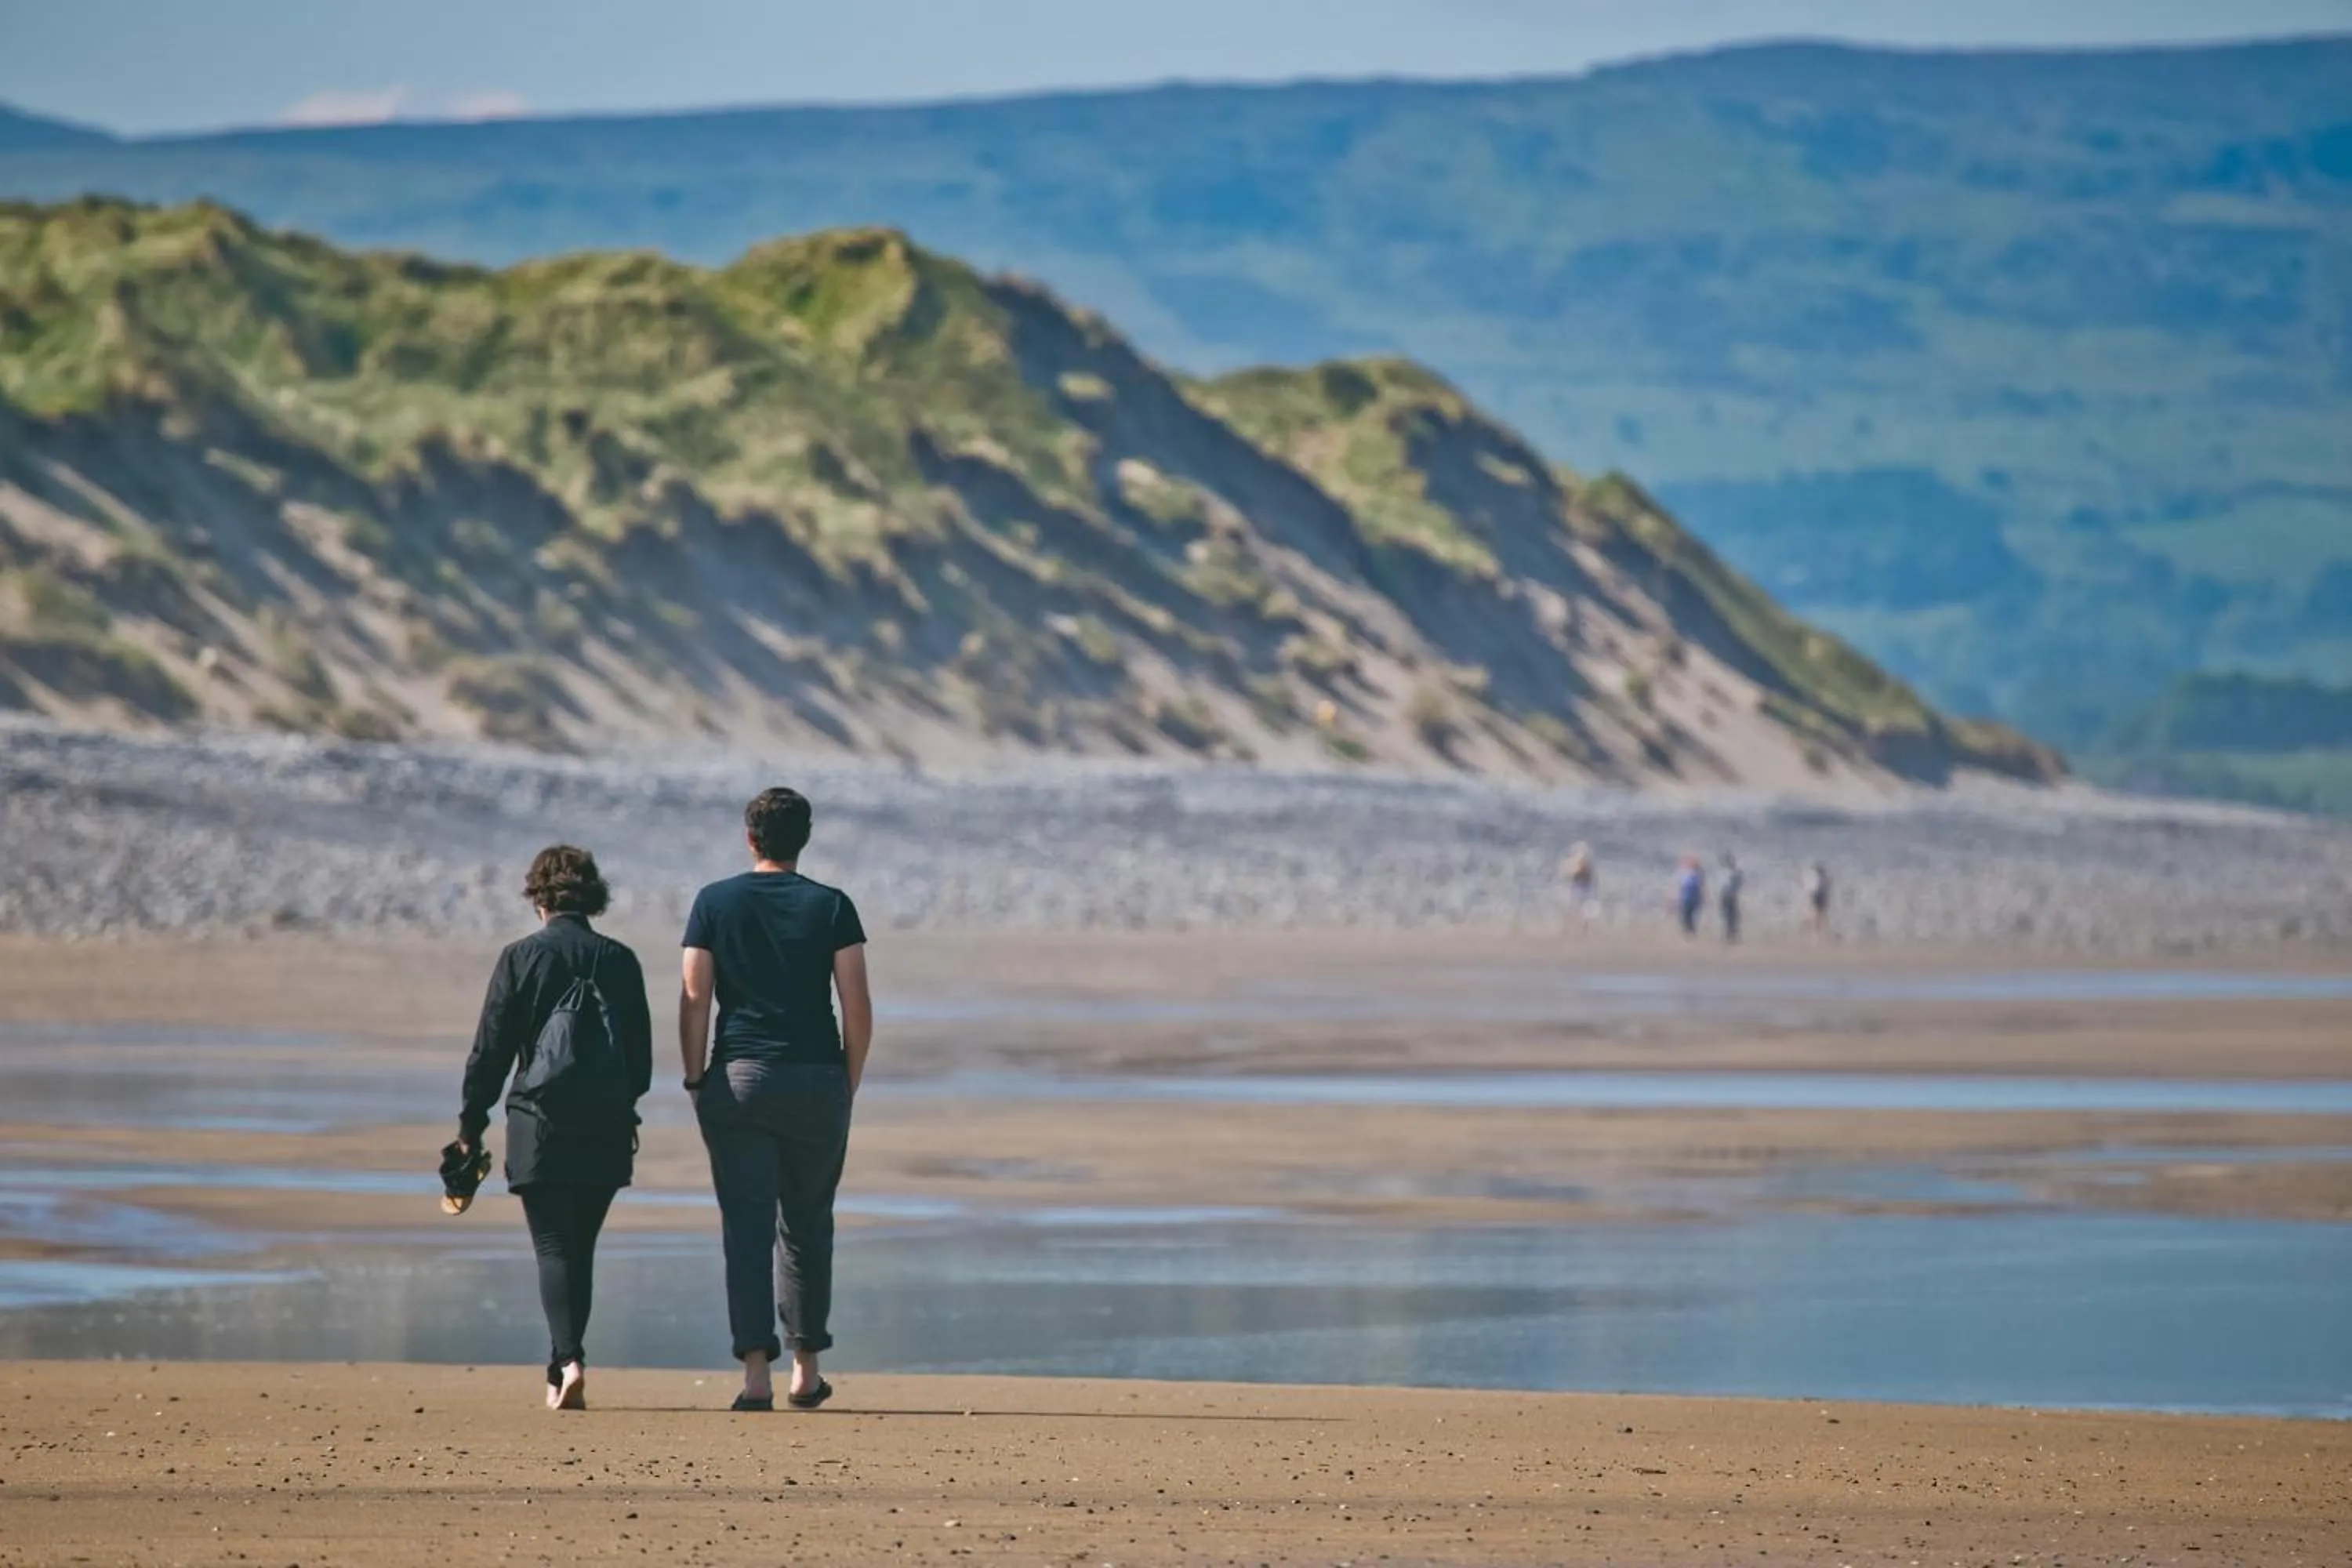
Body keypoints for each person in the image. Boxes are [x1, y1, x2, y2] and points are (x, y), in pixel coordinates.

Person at [681, 787, 874, 1413]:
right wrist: (849, 1079)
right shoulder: (832, 906)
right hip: (818, 1078)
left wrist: (694, 1076)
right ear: (805, 838)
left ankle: (756, 1375)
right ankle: (806, 1368)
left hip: (740, 1077)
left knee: (747, 1224)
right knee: (808, 1222)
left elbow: (694, 998)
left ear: (749, 837)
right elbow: (857, 1004)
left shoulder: (714, 903)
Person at [455, 845, 652, 1411]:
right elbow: (639, 1063)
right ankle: (559, 1366)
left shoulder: (520, 957)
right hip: (607, 1126)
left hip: (537, 1122)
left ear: (538, 897)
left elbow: (489, 1053)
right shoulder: (621, 960)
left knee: (552, 1245)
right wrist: (614, 1102)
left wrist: (471, 1125)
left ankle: (569, 1360)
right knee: (577, 1249)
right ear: (592, 896)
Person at [1562, 841, 1597, 929]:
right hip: (1577, 889)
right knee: (1573, 908)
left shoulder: (1588, 868)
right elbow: (1569, 877)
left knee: (1585, 910)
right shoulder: (1574, 866)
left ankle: (1583, 927)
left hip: (1584, 889)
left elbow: (1592, 881)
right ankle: (1570, 926)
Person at [1675, 854, 1706, 938]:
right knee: (1685, 914)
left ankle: (1691, 931)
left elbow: (1700, 886)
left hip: (1693, 897)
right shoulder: (1686, 873)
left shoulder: (1698, 874)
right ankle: (1687, 930)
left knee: (1691, 915)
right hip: (1687, 897)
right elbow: (1682, 886)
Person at [1719, 853, 1744, 944]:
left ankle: (1732, 935)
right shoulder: (1729, 873)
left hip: (1730, 897)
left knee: (1732, 917)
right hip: (1726, 897)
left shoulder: (1734, 873)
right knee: (1728, 917)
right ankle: (1729, 935)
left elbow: (1738, 885)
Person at [1805, 860, 1833, 937]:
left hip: (1819, 896)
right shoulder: (1825, 879)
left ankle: (1817, 929)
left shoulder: (1818, 879)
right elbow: (1826, 889)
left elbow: (1815, 890)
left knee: (1817, 914)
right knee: (1820, 914)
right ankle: (1819, 929)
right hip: (1820, 897)